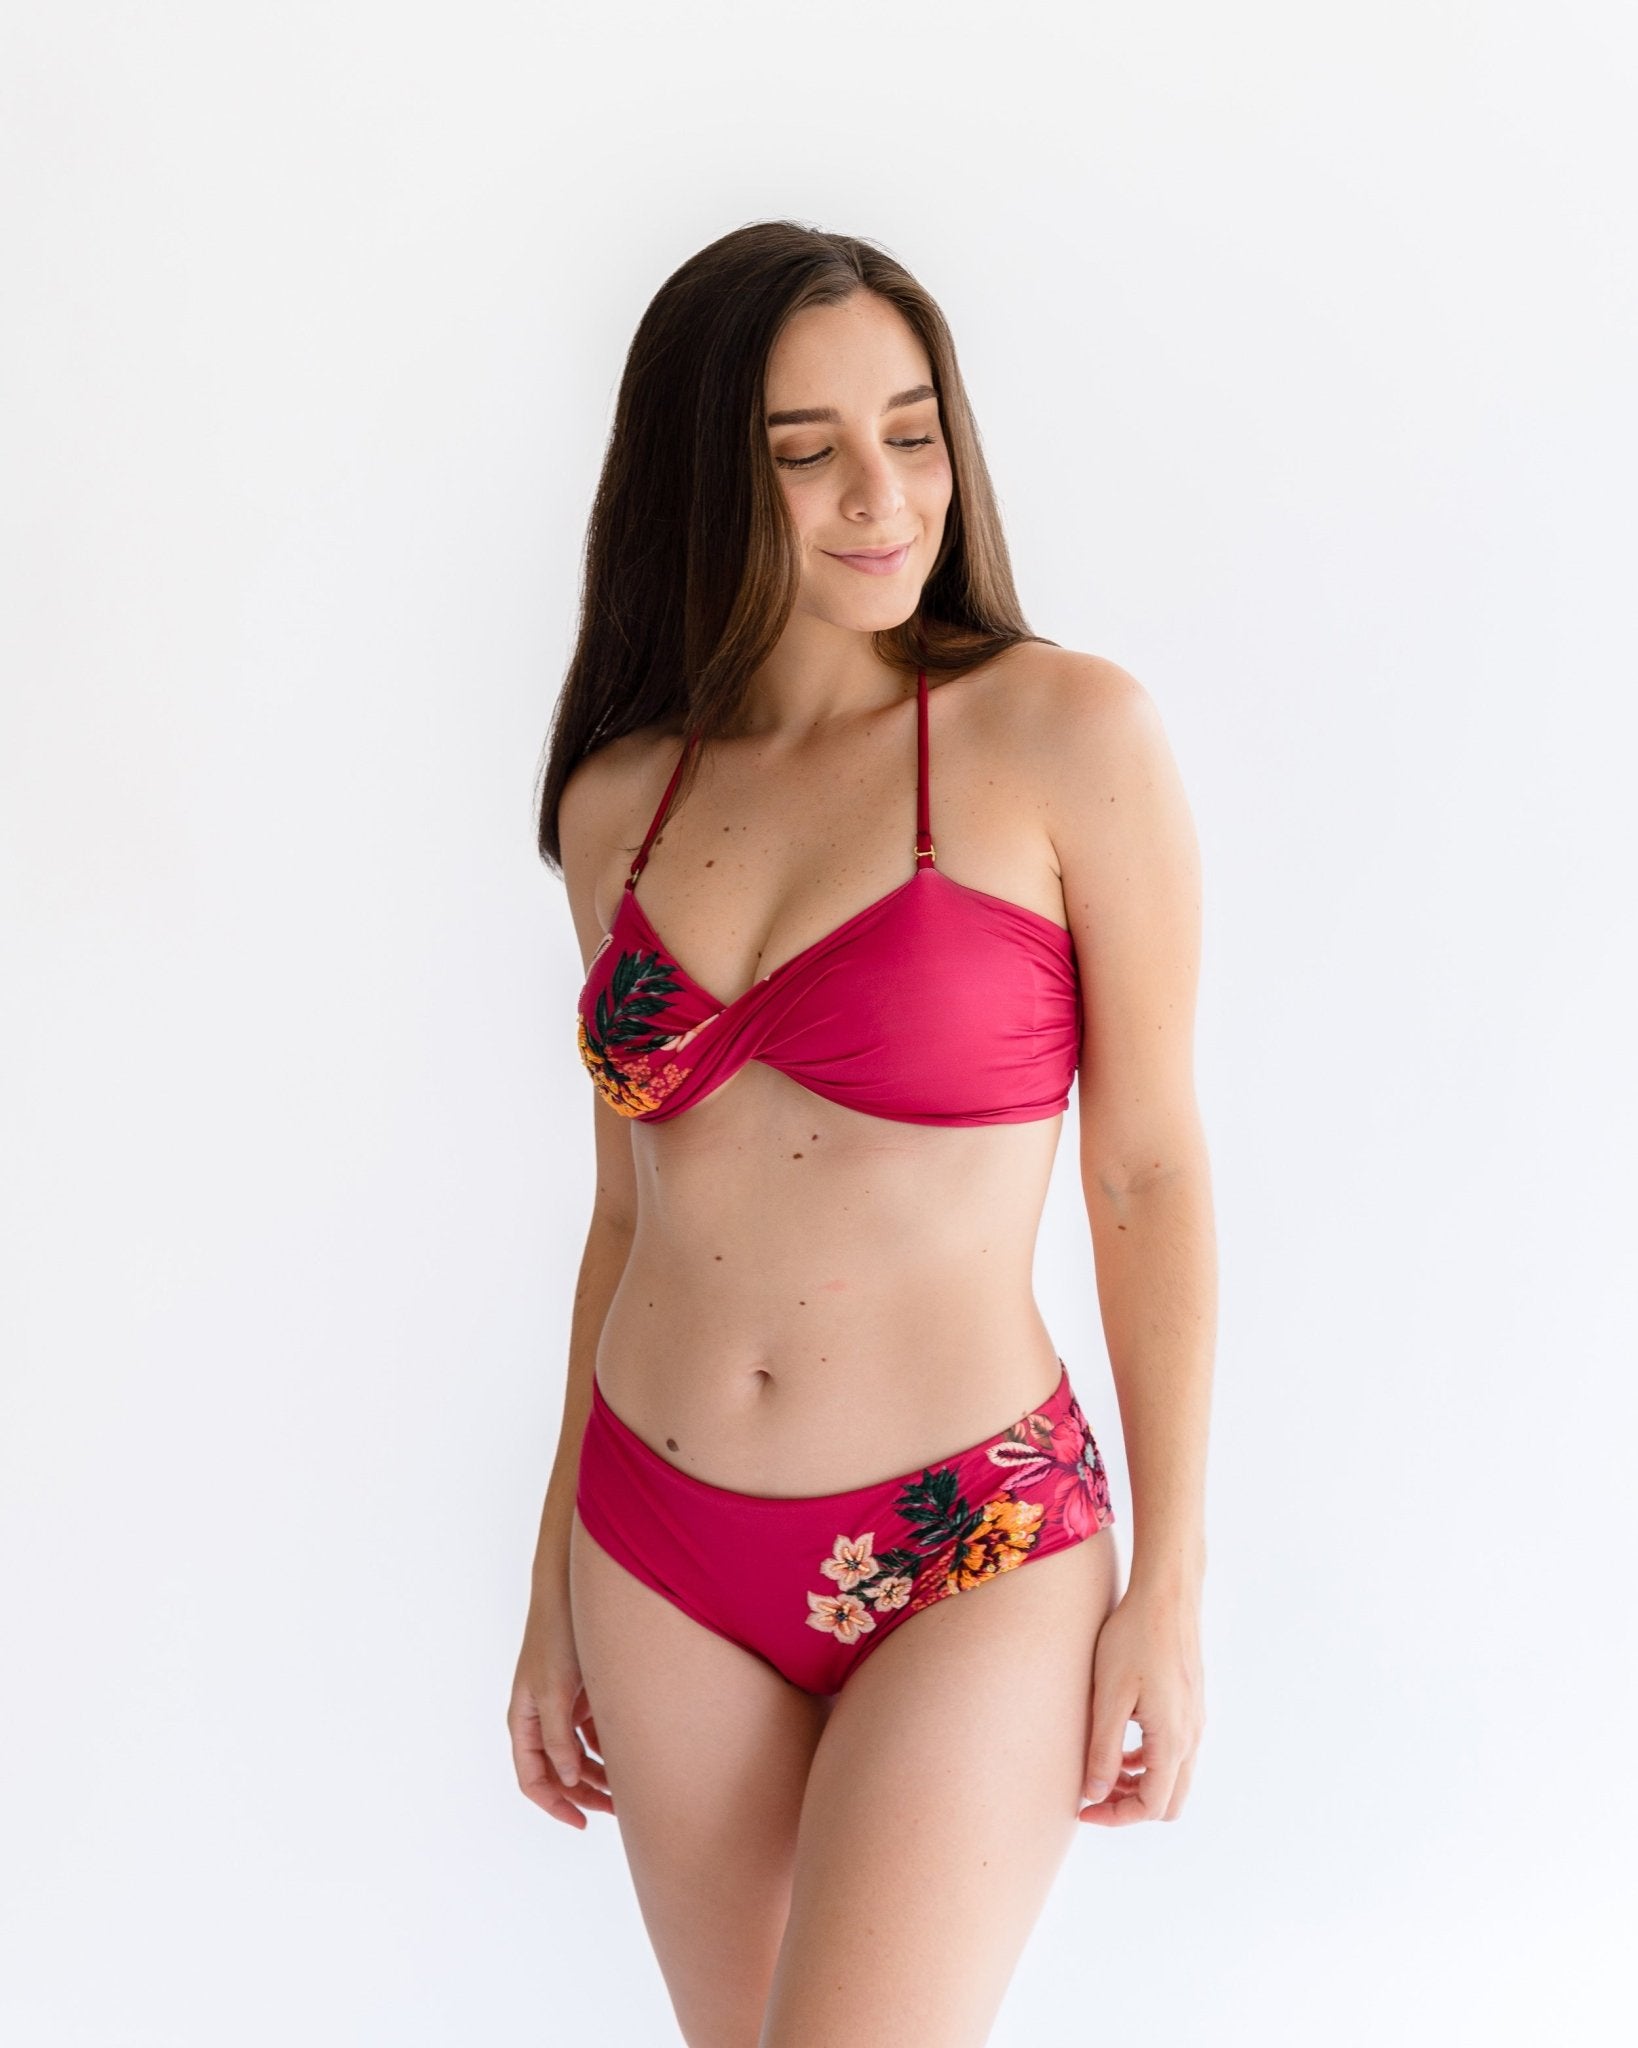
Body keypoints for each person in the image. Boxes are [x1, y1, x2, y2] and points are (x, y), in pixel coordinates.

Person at [510, 220, 1215, 2047]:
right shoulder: (616, 803)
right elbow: (625, 1217)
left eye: (911, 433)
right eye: (802, 453)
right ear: (698, 479)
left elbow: (1146, 1171)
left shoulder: (1062, 733)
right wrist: (547, 1591)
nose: (878, 496)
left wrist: (1170, 1584)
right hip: (655, 1542)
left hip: (970, 1540)